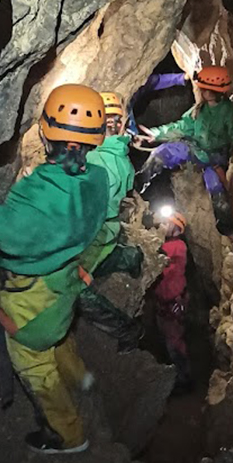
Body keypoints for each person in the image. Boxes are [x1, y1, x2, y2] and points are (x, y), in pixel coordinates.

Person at [0, 84, 109, 455]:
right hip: (65, 277)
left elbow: (9, 232)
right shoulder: (97, 180)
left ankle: (69, 436)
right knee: (61, 330)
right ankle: (83, 380)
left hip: (32, 289)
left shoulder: (40, 194)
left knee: (34, 361)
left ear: (47, 133)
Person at [133, 66, 233, 248]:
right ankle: (139, 182)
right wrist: (155, 135)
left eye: (208, 89)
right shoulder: (199, 109)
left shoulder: (227, 112)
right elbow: (182, 127)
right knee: (162, 152)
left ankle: (229, 230)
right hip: (193, 148)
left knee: (218, 193)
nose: (204, 91)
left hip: (213, 158)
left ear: (218, 91)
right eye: (203, 88)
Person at [76, 91, 145, 352]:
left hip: (94, 232)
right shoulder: (120, 156)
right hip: (108, 229)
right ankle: (129, 257)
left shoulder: (95, 160)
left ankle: (127, 330)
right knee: (100, 258)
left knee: (75, 288)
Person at [153, 205, 192, 394]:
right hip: (166, 300)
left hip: (173, 301)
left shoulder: (177, 246)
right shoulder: (172, 245)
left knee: (174, 341)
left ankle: (185, 379)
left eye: (167, 223)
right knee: (170, 339)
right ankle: (180, 374)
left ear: (176, 228)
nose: (164, 225)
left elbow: (162, 263)